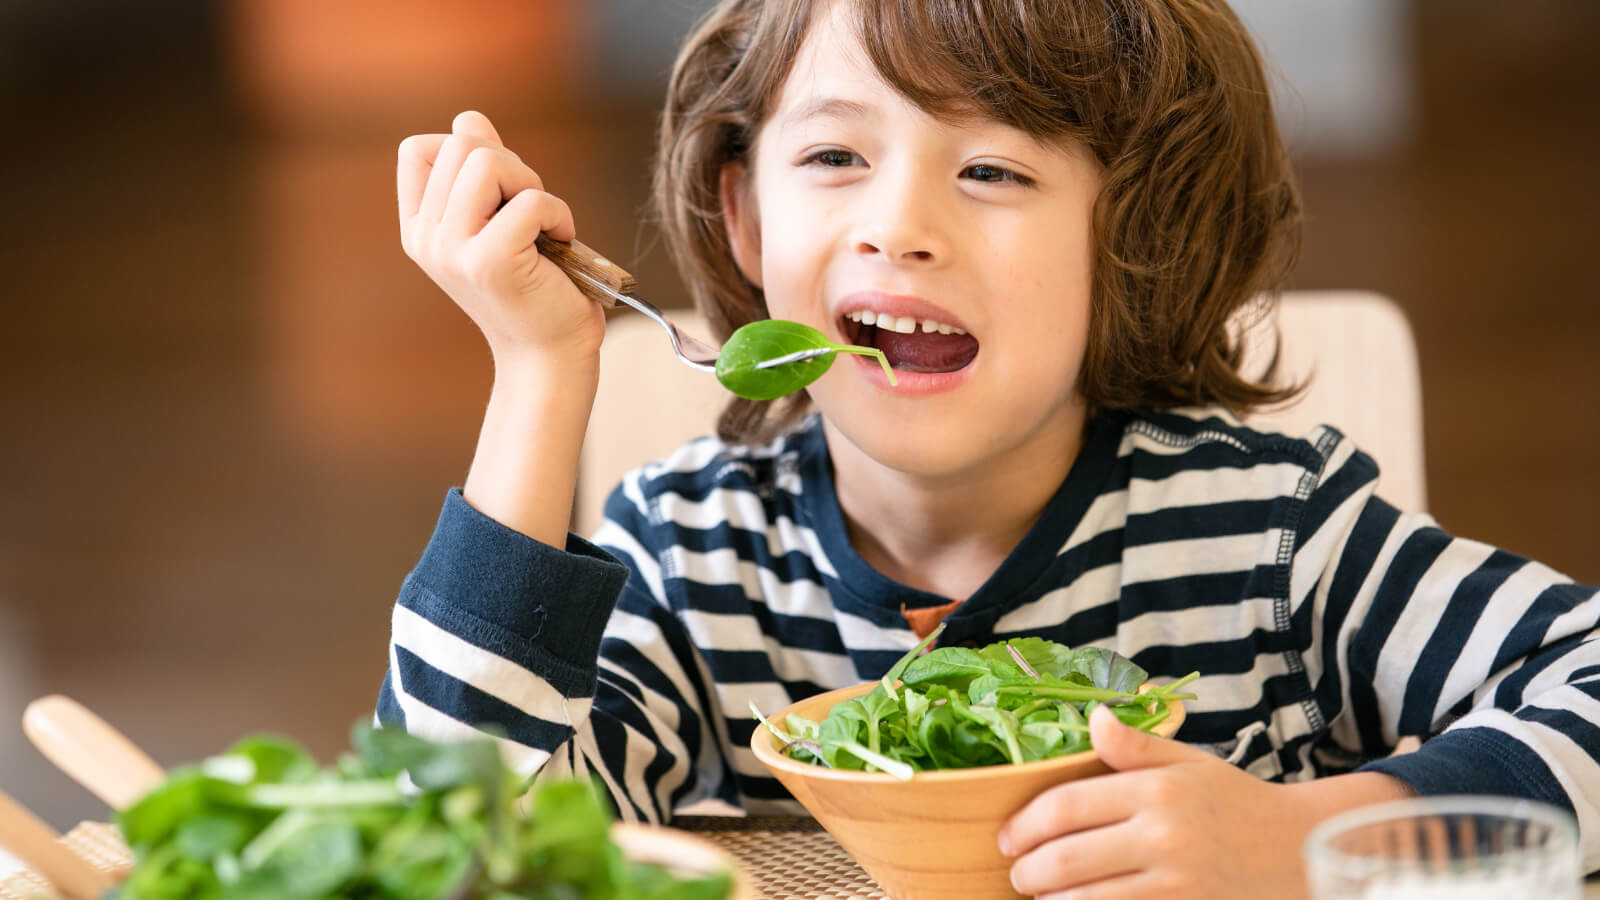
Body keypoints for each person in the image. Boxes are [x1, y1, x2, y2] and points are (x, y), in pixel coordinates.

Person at [378, 0, 1600, 894]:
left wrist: (1307, 841)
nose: (898, 226)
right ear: (744, 215)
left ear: (1128, 238)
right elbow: (450, 836)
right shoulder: (697, 557)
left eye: (991, 167)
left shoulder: (1273, 536)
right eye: (834, 156)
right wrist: (540, 376)